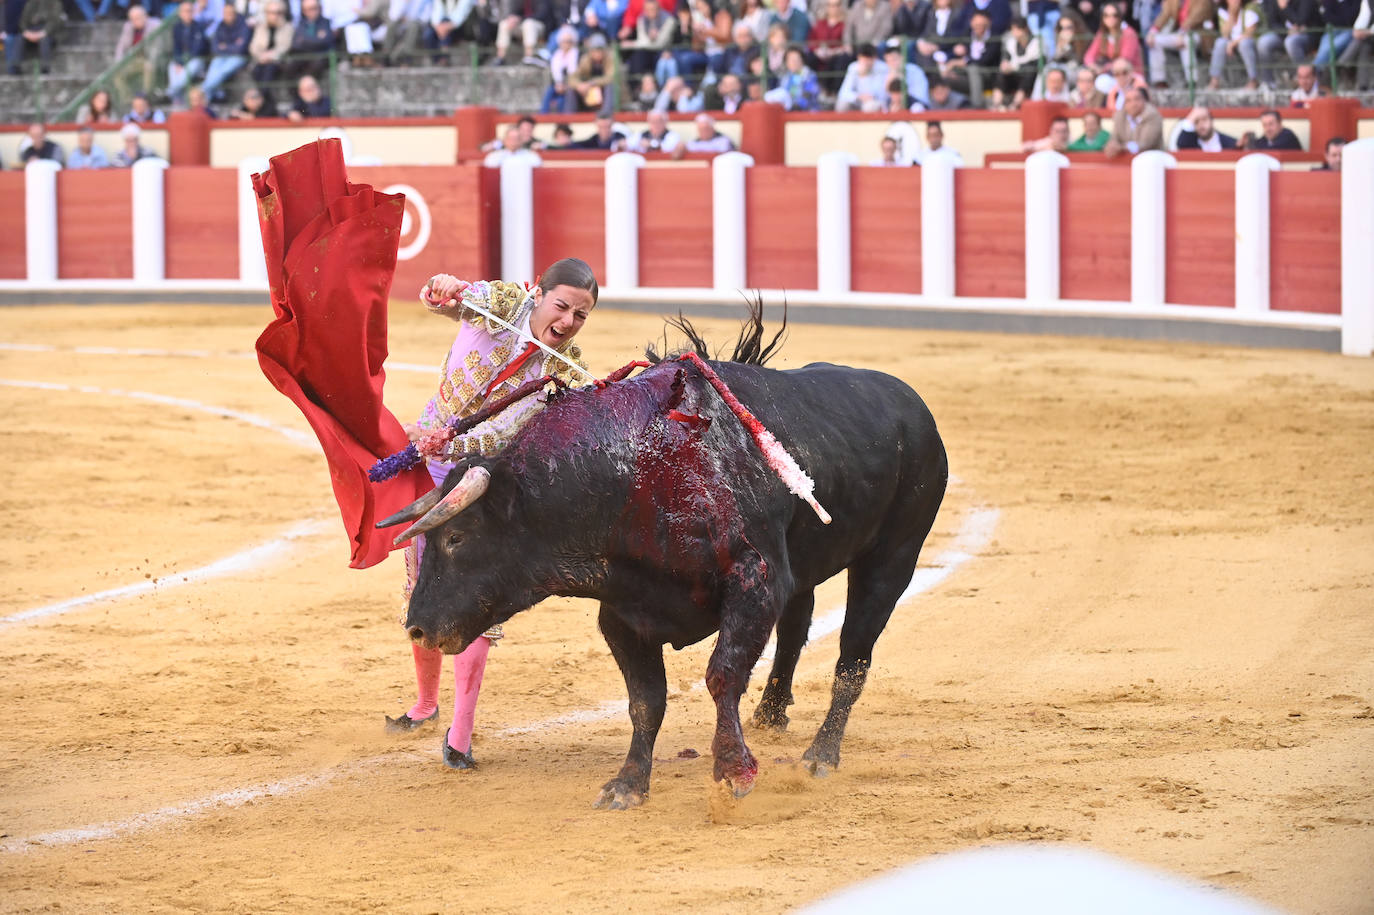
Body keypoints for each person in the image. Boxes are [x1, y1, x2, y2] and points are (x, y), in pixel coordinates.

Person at [386, 258, 598, 771]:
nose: (568, 322)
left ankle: (460, 734)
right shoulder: (505, 303)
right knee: (422, 585)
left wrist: (458, 441)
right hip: (426, 459)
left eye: (581, 315)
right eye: (562, 306)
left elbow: (509, 428)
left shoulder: (563, 371)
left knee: (473, 595)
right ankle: (425, 703)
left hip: (482, 481)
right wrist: (444, 289)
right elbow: (456, 302)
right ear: (540, 294)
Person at [1144, 0, 1215, 87]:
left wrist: (1182, 32)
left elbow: (1196, 17)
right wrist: (1153, 31)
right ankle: (1159, 81)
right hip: (1179, 34)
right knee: (1154, 41)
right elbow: (1164, 15)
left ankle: (1192, 81)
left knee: (1186, 42)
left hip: (1199, 34)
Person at [202, 2, 252, 101]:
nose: (228, 15)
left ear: (235, 13)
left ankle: (201, 91)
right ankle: (208, 97)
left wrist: (225, 46)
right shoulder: (220, 25)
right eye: (225, 13)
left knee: (222, 72)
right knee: (213, 69)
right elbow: (215, 47)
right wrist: (231, 46)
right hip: (222, 56)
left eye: (230, 13)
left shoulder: (243, 25)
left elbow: (240, 48)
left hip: (239, 57)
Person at [1207, 0, 1262, 88]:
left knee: (1244, 44)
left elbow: (1249, 33)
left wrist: (1233, 44)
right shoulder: (1223, 11)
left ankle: (1253, 80)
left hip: (1249, 42)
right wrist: (1232, 15)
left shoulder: (1249, 9)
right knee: (1220, 42)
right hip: (1232, 42)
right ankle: (1214, 80)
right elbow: (1225, 34)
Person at [168, 0, 211, 105]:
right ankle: (176, 101)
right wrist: (179, 63)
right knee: (172, 66)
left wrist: (183, 62)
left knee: (192, 66)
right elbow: (176, 48)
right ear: (180, 13)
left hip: (196, 60)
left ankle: (170, 92)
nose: (188, 14)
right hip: (182, 61)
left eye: (190, 11)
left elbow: (198, 48)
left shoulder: (199, 26)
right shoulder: (177, 28)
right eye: (185, 11)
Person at [9, 0, 65, 76]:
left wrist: (43, 33)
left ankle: (45, 67)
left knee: (44, 40)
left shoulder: (55, 3)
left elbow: (55, 21)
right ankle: (15, 66)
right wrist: (26, 32)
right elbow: (23, 21)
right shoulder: (30, 3)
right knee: (19, 38)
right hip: (32, 31)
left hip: (49, 33)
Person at [1104, 85, 1162, 156]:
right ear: (1124, 104)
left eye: (1137, 99)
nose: (1133, 104)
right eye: (1128, 101)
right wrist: (1112, 145)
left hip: (1152, 158)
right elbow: (1115, 137)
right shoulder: (1119, 116)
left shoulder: (1152, 115)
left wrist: (1121, 147)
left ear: (1144, 100)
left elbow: (1146, 143)